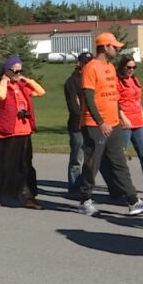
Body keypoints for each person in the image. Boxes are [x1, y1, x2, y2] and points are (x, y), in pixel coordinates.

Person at [76, 32, 143, 217]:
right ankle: (84, 200)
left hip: (114, 123)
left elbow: (115, 96)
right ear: (104, 47)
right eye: (114, 47)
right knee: (92, 163)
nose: (116, 50)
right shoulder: (91, 68)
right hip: (95, 125)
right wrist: (100, 121)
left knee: (120, 163)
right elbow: (88, 97)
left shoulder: (110, 67)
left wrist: (120, 116)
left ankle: (133, 201)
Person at [0, 57, 46, 208]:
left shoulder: (22, 87)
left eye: (20, 70)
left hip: (24, 131)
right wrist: (4, 80)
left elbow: (41, 92)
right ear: (7, 71)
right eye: (15, 70)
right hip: (8, 132)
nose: (18, 73)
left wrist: (26, 79)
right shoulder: (0, 86)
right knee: (3, 166)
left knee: (25, 165)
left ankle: (29, 196)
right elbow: (0, 96)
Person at [115, 55, 143, 193]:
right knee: (121, 155)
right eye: (128, 67)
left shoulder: (135, 80)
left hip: (138, 122)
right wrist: (123, 118)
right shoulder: (117, 82)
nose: (131, 70)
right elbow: (115, 103)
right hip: (125, 123)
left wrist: (142, 115)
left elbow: (138, 100)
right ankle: (122, 185)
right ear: (122, 66)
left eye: (134, 67)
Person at [64, 52, 94, 194]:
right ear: (79, 63)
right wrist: (84, 119)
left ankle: (86, 186)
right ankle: (75, 188)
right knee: (77, 159)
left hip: (93, 124)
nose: (88, 65)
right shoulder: (72, 81)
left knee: (92, 159)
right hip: (78, 125)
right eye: (85, 62)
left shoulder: (92, 79)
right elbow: (74, 107)